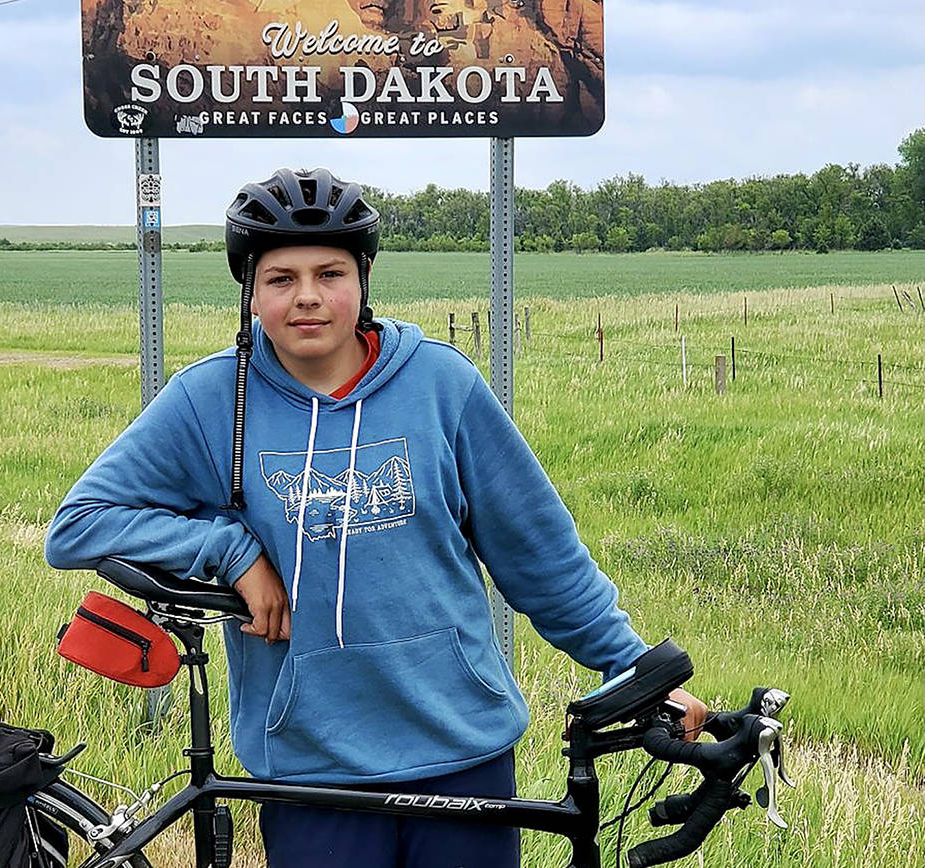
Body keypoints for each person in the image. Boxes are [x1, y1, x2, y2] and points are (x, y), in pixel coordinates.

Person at [45, 168, 705, 867]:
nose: (306, 297)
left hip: (459, 747)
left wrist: (632, 668)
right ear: (250, 293)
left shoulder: (441, 386)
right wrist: (229, 551)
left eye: (329, 273)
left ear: (362, 280)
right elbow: (80, 523)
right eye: (279, 279)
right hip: (308, 761)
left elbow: (539, 552)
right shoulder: (210, 400)